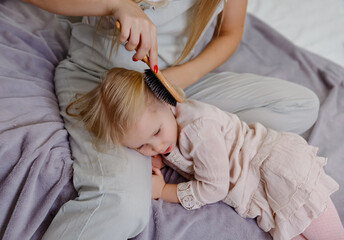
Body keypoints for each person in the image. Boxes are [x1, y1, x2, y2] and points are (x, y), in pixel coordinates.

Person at [23, 0, 321, 239]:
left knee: (300, 105)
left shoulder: (171, 96)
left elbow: (230, 33)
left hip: (169, 85)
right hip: (99, 84)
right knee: (121, 207)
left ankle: (167, 127)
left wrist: (175, 83)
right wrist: (117, 5)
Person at [67, 67, 343, 240]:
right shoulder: (168, 128)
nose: (154, 146)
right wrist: (158, 155)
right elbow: (166, 145)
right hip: (256, 186)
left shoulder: (197, 129)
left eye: (156, 133)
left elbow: (214, 187)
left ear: (167, 103)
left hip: (278, 170)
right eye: (140, 146)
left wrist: (164, 191)